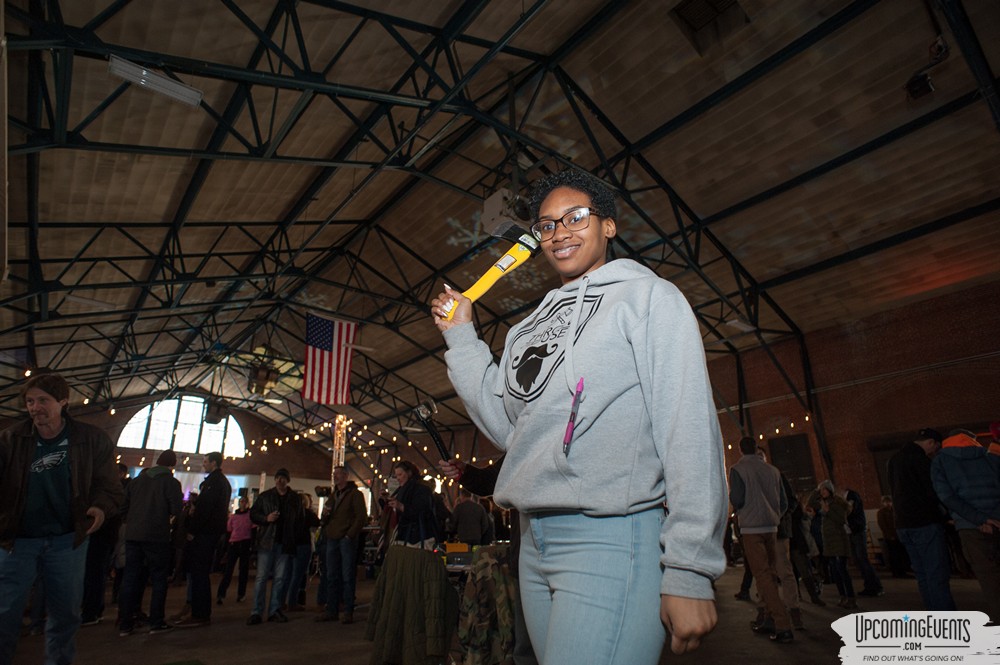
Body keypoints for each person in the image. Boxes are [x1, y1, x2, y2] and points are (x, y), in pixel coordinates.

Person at [430, 169, 726, 663]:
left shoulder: (648, 299)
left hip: (613, 536)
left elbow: (688, 426)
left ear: (608, 225)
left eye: (575, 217)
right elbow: (510, 431)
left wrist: (690, 567)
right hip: (532, 543)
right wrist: (461, 336)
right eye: (547, 225)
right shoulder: (529, 327)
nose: (559, 232)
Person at [0, 372, 124, 665]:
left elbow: (110, 488)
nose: (35, 407)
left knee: (65, 614)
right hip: (16, 542)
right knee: (4, 613)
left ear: (63, 401)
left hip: (67, 541)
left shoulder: (91, 440)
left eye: (43, 400)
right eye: (30, 401)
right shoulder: (9, 439)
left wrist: (100, 508)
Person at [931, 429, 1000, 624]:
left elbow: (947, 496)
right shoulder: (989, 457)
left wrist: (980, 519)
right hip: (997, 521)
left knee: (990, 580)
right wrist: (993, 517)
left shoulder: (941, 461)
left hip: (971, 527)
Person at [729, 438, 793, 643]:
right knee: (771, 573)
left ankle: (782, 623)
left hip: (751, 528)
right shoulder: (773, 471)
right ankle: (767, 618)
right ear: (756, 449)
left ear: (740, 449)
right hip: (772, 527)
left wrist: (742, 512)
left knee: (763, 575)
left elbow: (737, 499)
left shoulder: (738, 469)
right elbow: (784, 502)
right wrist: (773, 515)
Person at [886, 428, 956, 611]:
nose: (934, 452)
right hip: (925, 523)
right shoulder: (923, 461)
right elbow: (933, 492)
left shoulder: (893, 460)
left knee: (923, 576)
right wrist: (947, 515)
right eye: (935, 447)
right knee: (937, 575)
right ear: (931, 442)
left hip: (903, 525)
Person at [118, 449, 183, 636]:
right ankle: (156, 622)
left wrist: (132, 522)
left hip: (133, 536)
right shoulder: (171, 483)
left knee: (130, 578)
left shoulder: (137, 481)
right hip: (157, 537)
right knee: (159, 579)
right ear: (172, 465)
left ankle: (125, 624)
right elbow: (176, 510)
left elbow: (123, 507)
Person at [176, 451, 231, 628]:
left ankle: (200, 612)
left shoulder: (214, 483)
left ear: (214, 463)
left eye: (206, 461)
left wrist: (193, 529)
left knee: (199, 573)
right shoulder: (220, 482)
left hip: (205, 534)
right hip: (211, 533)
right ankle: (197, 609)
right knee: (200, 573)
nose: (204, 464)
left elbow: (206, 510)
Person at [247, 468, 303, 625]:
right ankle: (256, 611)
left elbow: (300, 520)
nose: (280, 480)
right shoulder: (265, 497)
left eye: (283, 478)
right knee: (261, 578)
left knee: (279, 579)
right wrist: (266, 518)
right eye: (278, 477)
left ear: (287, 480)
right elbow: (253, 514)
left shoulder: (295, 499)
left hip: (284, 543)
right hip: (267, 541)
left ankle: (274, 610)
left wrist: (294, 539)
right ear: (275, 479)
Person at [316, 466, 367, 624]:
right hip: (333, 537)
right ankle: (332, 609)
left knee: (347, 575)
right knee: (332, 575)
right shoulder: (334, 495)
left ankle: (347, 611)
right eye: (334, 474)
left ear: (345, 476)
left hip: (345, 539)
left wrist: (349, 535)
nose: (335, 477)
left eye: (338, 474)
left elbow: (361, 516)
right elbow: (327, 514)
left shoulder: (355, 495)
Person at [815, 480, 857, 611]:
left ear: (830, 490)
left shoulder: (837, 503)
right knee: (835, 571)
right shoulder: (824, 503)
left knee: (842, 570)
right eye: (821, 490)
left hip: (839, 539)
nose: (822, 492)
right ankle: (842, 596)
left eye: (824, 490)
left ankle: (850, 597)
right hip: (829, 541)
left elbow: (840, 519)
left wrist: (827, 511)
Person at [387, 461, 438, 548]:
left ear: (409, 473)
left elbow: (421, 511)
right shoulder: (402, 490)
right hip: (406, 535)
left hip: (415, 536)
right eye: (396, 476)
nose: (398, 478)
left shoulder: (421, 489)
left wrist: (401, 506)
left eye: (400, 474)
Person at [844, 487, 884, 597]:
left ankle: (875, 586)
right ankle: (869, 585)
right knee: (858, 560)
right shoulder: (846, 497)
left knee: (862, 559)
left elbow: (850, 510)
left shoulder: (852, 495)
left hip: (857, 530)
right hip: (851, 531)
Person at [284, 492, 320, 611]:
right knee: (298, 575)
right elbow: (317, 522)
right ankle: (292, 602)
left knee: (288, 575)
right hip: (303, 545)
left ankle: (281, 600)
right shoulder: (307, 513)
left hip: (290, 545)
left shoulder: (290, 514)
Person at [217, 496, 253, 604]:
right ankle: (221, 594)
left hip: (245, 543)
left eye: (244, 502)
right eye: (241, 501)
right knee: (228, 570)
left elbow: (253, 530)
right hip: (234, 543)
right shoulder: (233, 517)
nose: (243, 504)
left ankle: (241, 594)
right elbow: (229, 531)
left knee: (243, 571)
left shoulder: (250, 516)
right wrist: (227, 547)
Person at [876, 495, 910, 578]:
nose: (888, 504)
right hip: (889, 537)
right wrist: (889, 535)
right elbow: (883, 525)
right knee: (893, 555)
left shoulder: (893, 511)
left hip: (897, 535)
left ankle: (903, 570)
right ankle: (896, 572)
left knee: (900, 554)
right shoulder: (881, 512)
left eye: (889, 502)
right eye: (886, 502)